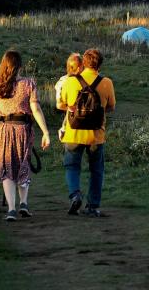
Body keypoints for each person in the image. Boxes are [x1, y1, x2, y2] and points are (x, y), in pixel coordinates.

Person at [0, 50, 51, 221]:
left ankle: (11, 209)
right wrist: (45, 132)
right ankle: (23, 202)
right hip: (23, 129)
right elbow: (36, 110)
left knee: (6, 167)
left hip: (2, 130)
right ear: (20, 66)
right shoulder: (29, 84)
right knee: (23, 164)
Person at [57, 48, 116, 217]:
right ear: (100, 64)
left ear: (84, 62)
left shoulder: (70, 81)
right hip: (96, 135)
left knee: (72, 166)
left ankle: (75, 194)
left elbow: (61, 104)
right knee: (96, 170)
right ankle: (93, 206)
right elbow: (111, 106)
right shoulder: (107, 82)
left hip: (73, 132)